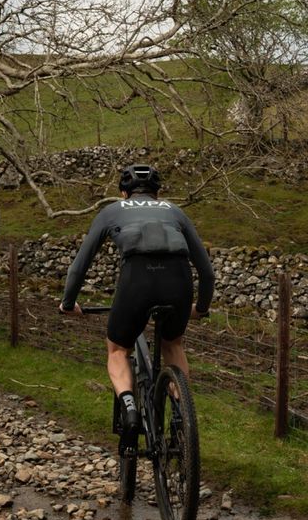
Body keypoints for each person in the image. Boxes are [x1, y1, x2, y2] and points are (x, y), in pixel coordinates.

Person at [59, 163, 214, 436]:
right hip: (178, 279)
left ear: (123, 193)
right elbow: (207, 272)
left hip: (137, 280)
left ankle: (130, 408)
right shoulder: (175, 211)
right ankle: (182, 416)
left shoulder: (112, 211)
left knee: (118, 349)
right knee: (172, 344)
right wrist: (200, 308)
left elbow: (79, 267)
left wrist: (69, 304)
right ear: (157, 193)